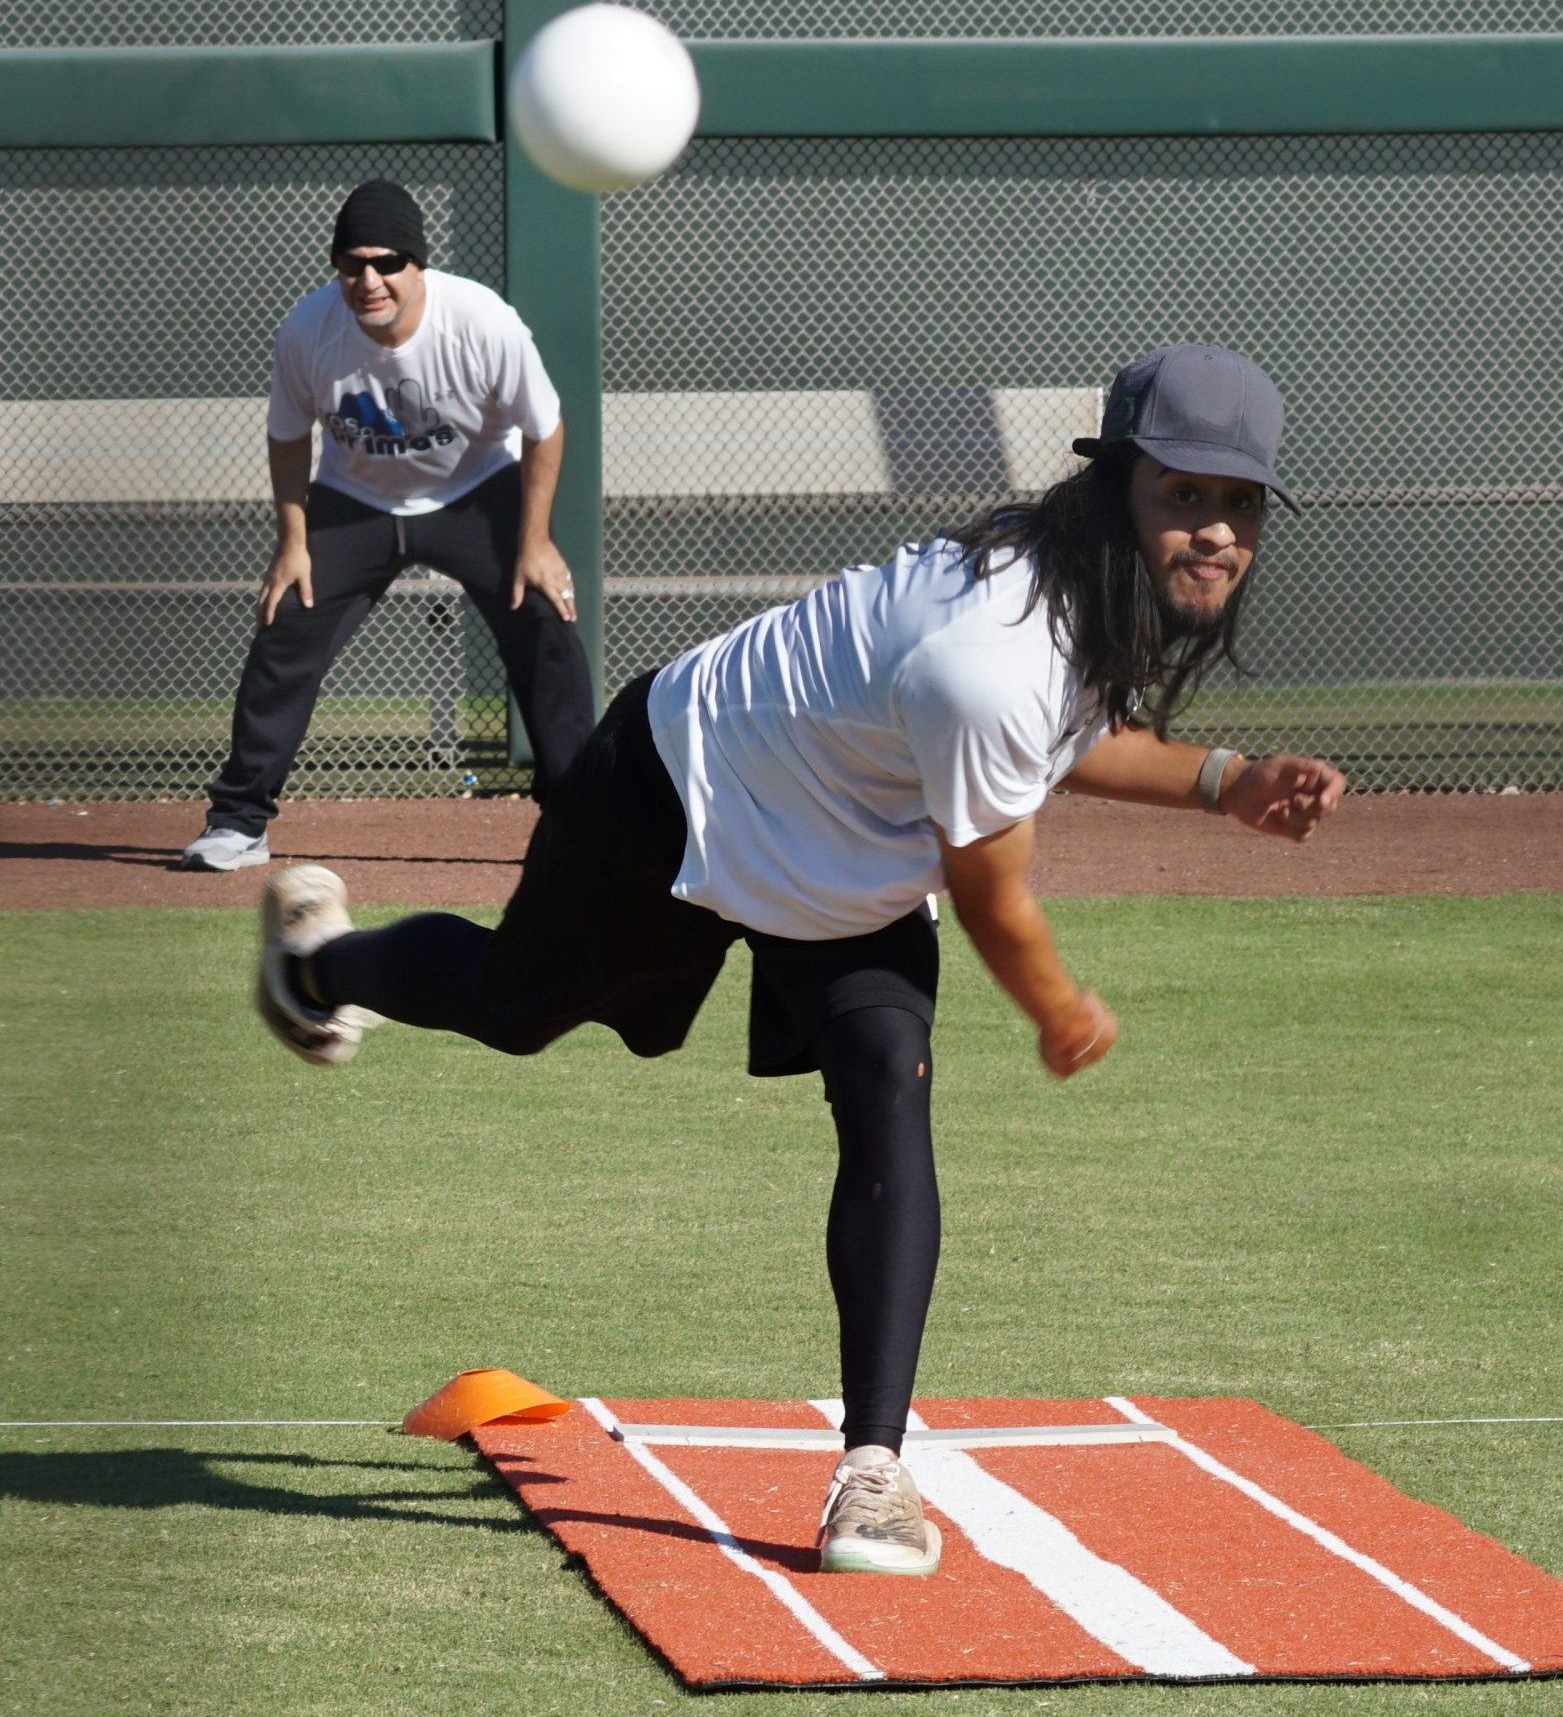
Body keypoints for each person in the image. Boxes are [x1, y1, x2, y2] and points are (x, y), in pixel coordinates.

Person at [250, 343, 1346, 1575]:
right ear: (1114, 489)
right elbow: (993, 889)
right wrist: (1057, 1005)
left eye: (1238, 504)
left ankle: (872, 1471)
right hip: (686, 783)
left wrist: (1224, 781)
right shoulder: (988, 649)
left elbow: (1066, 734)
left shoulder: (1077, 591)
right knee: (513, 1005)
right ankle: (320, 966)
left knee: (888, 1081)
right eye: (1182, 495)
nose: (1214, 531)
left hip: (848, 853)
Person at [181, 179, 596, 871]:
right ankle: (238, 823)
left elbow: (544, 429)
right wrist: (292, 542)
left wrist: (535, 541)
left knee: (547, 620)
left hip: (475, 488)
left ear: (417, 264)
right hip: (355, 498)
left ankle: (579, 824)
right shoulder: (308, 330)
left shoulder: (481, 321)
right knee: (286, 624)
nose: (369, 281)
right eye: (352, 265)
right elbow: (287, 438)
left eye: (386, 263)